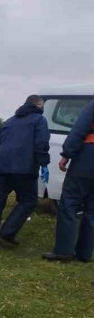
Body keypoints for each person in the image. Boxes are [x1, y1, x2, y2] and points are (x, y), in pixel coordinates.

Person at [0, 94, 50, 247]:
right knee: (29, 200)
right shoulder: (39, 120)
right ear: (39, 106)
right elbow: (41, 143)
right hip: (24, 169)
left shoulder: (8, 122)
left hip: (2, 168)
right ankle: (8, 231)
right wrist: (44, 163)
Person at [42, 98, 94, 262]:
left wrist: (66, 154)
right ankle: (85, 253)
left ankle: (64, 250)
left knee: (69, 203)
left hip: (88, 159)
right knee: (92, 210)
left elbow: (79, 129)